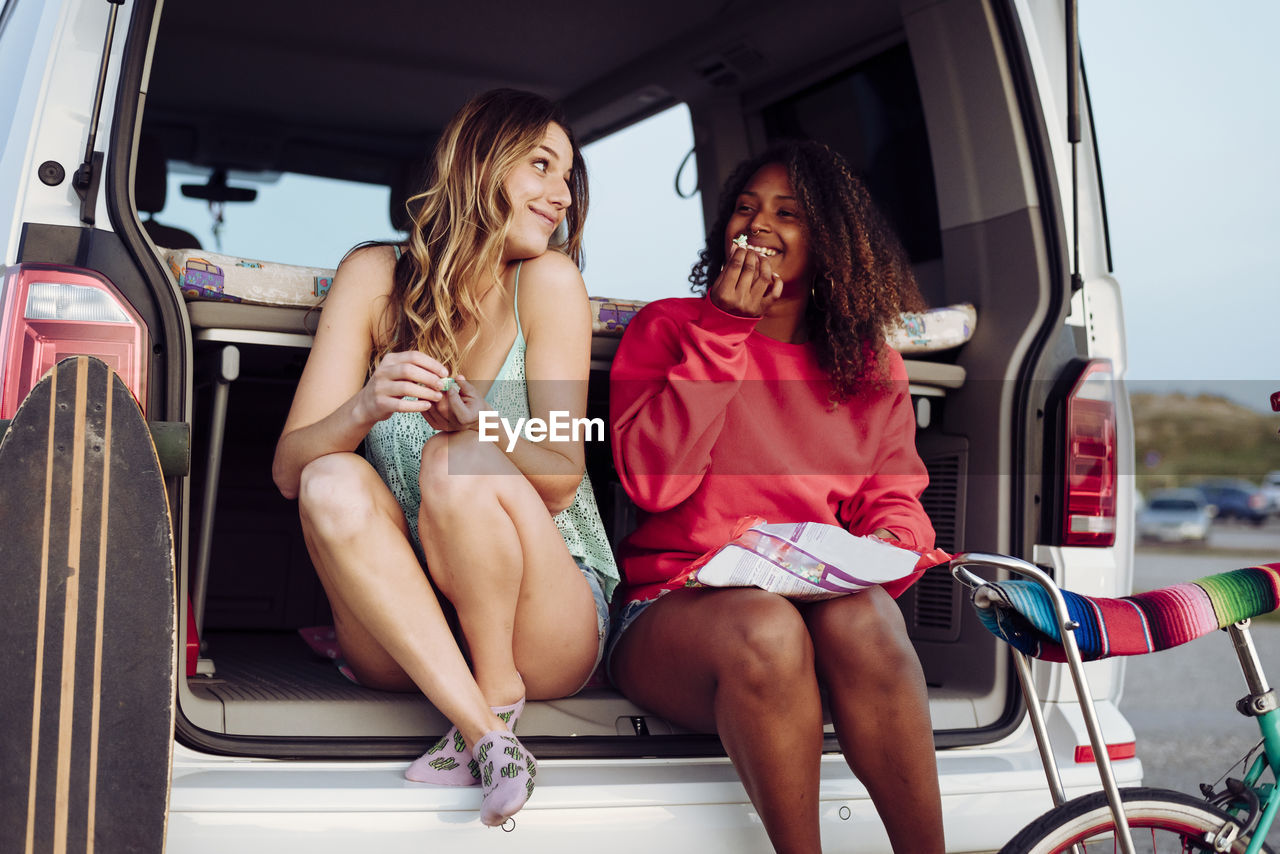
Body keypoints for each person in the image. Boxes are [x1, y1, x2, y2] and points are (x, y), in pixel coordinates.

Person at [272, 89, 618, 827]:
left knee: (455, 459)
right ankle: (490, 737)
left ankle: (494, 698)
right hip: (408, 634)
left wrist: (485, 426)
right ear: (480, 163)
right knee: (329, 476)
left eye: (569, 177)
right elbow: (288, 469)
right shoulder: (373, 277)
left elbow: (562, 476)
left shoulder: (550, 283)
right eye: (541, 165)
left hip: (544, 629)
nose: (561, 194)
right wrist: (365, 403)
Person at [608, 140, 944, 853]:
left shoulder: (868, 363)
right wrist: (724, 332)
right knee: (768, 626)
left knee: (870, 618)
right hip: (674, 614)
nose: (758, 225)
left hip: (809, 608)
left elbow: (894, 495)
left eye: (787, 213)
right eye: (744, 208)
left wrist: (891, 544)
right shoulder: (670, 329)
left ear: (830, 243)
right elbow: (653, 483)